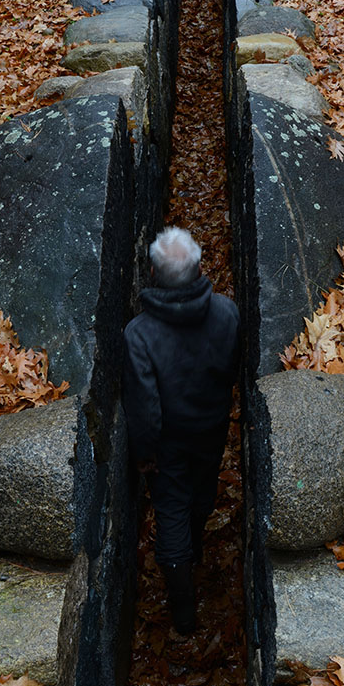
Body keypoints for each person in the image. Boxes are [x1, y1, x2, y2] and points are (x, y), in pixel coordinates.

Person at [122, 227, 240, 635]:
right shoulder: (227, 313)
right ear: (200, 268)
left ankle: (184, 613)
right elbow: (231, 369)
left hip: (169, 442)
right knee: (203, 490)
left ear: (154, 274)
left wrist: (144, 454)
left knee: (171, 509)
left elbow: (144, 406)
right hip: (212, 427)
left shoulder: (139, 335)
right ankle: (197, 546)